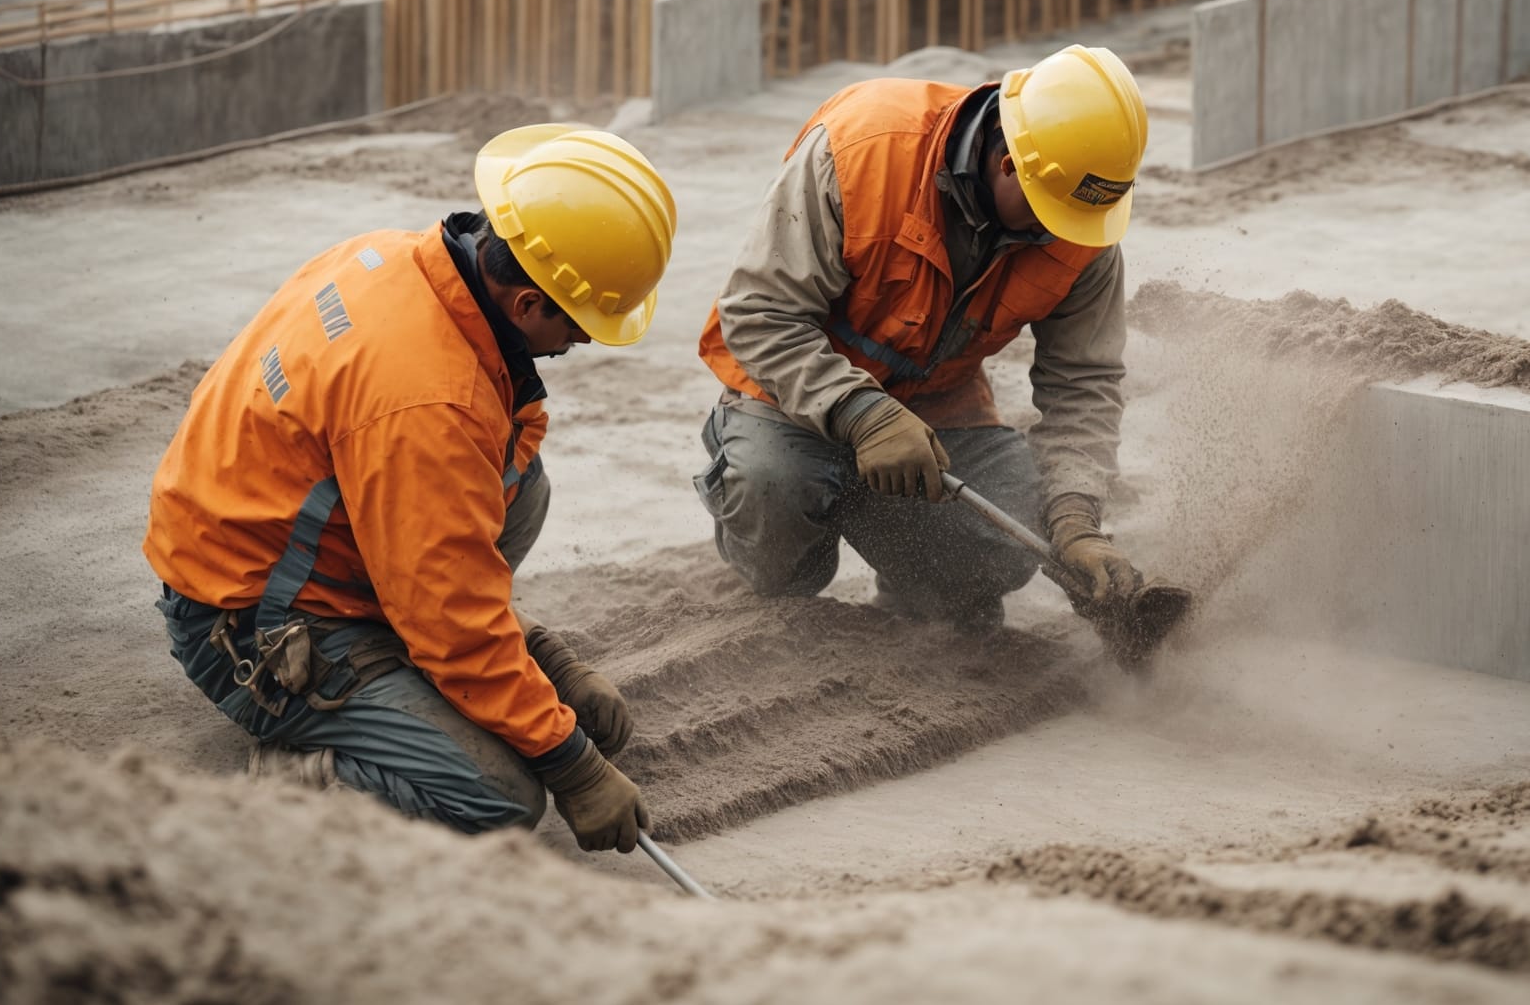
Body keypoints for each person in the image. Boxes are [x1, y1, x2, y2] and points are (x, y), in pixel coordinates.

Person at [144, 125, 674, 849]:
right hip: (245, 623)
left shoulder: (398, 258)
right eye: (580, 326)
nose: (579, 344)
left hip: (294, 550)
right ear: (525, 305)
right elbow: (449, 610)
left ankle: (409, 672)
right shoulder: (429, 400)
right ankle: (301, 785)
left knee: (525, 484)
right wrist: (572, 767)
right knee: (499, 798)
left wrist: (534, 655)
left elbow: (440, 537)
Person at [694, 43, 1149, 632]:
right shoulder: (864, 150)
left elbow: (1084, 385)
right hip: (790, 394)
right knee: (775, 485)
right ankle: (788, 594)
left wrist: (1075, 521)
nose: (1059, 235)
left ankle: (895, 547)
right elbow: (760, 313)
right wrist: (865, 416)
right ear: (1009, 163)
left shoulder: (1081, 224)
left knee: (1014, 531)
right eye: (1048, 215)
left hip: (935, 399)